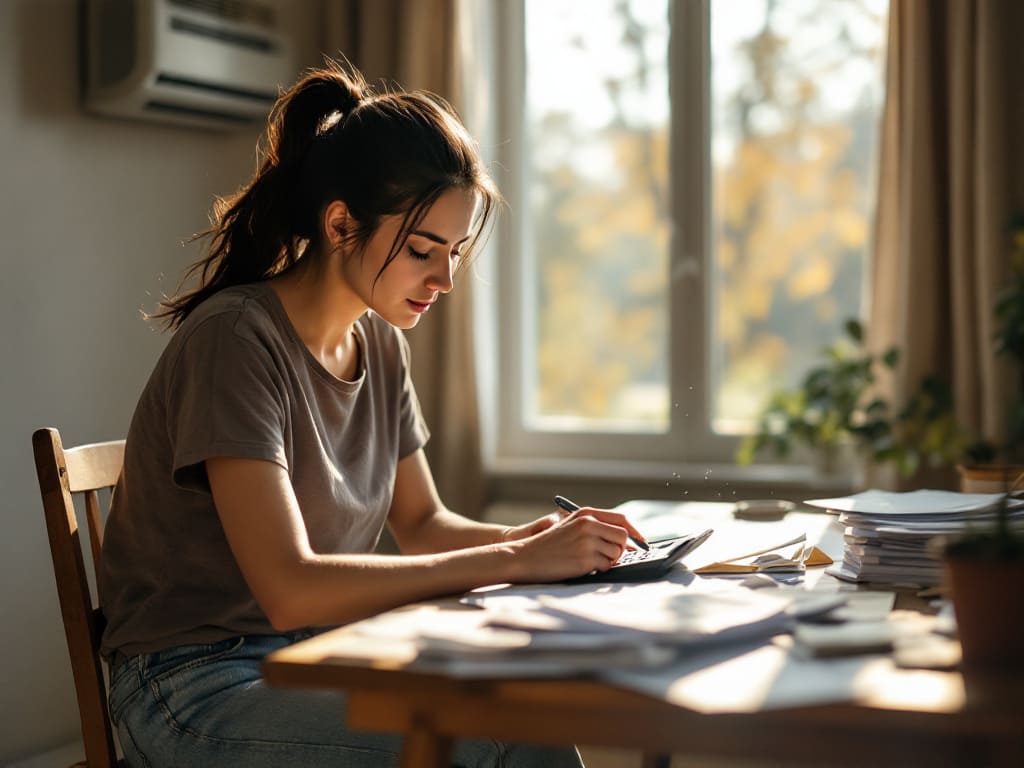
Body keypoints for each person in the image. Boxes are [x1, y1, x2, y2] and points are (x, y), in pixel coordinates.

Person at [99, 60, 646, 768]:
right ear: (339, 224)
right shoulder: (235, 340)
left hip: (318, 655)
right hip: (192, 684)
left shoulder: (381, 345)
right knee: (492, 742)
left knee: (527, 717)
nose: (444, 280)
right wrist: (517, 559)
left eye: (454, 254)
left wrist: (546, 540)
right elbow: (291, 589)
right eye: (422, 251)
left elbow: (422, 525)